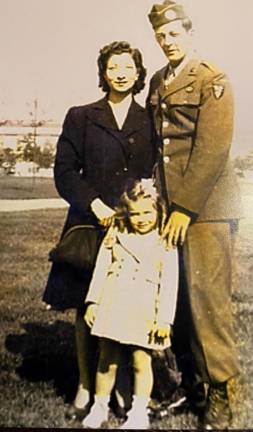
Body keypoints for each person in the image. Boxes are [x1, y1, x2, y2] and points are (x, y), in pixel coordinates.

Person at [43, 41, 154, 419]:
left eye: (128, 66)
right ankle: (85, 382)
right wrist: (95, 205)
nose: (121, 72)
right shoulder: (80, 116)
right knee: (85, 306)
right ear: (103, 72)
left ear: (139, 73)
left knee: (130, 306)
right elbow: (64, 172)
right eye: (113, 66)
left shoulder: (150, 119)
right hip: (90, 224)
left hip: (135, 229)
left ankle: (122, 384)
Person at [147, 1, 242, 429]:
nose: (167, 42)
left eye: (174, 34)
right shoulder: (158, 80)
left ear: (189, 32)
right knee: (179, 303)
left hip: (206, 210)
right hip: (171, 211)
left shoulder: (211, 78)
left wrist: (185, 208)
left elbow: (212, 149)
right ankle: (193, 386)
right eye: (161, 36)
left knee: (208, 303)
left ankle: (222, 395)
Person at [82, 179, 179, 429]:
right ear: (126, 213)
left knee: (141, 360)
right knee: (107, 359)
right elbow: (101, 270)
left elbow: (169, 283)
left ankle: (138, 411)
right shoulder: (116, 235)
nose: (142, 218)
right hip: (112, 303)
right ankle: (99, 406)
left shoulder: (165, 241)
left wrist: (164, 319)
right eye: (135, 214)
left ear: (159, 212)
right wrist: (93, 302)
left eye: (147, 212)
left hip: (144, 310)